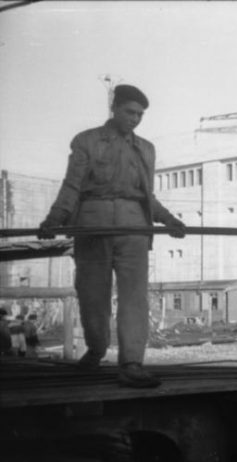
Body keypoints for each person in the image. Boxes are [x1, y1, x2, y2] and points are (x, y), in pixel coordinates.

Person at [38, 84, 185, 388]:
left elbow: (147, 196)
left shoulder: (145, 148)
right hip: (94, 224)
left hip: (134, 228)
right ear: (114, 108)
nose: (135, 119)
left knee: (135, 298)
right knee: (93, 294)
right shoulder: (87, 141)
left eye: (140, 115)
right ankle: (96, 350)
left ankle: (131, 363)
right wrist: (54, 219)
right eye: (130, 112)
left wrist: (169, 220)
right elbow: (72, 186)